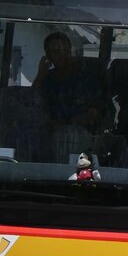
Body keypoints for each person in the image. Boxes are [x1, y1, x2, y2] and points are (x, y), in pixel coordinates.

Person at [33, 32, 105, 161]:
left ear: (70, 50)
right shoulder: (47, 80)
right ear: (48, 56)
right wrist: (40, 75)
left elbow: (96, 113)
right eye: (55, 51)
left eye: (65, 50)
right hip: (51, 141)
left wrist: (77, 120)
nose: (62, 55)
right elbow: (30, 106)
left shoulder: (86, 78)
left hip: (82, 141)